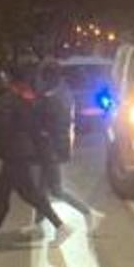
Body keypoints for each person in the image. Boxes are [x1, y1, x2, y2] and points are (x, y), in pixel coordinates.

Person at [0, 64, 73, 250]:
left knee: (27, 194)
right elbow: (32, 127)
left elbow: (4, 129)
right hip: (20, 152)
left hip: (14, 153)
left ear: (10, 79)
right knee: (4, 193)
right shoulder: (25, 98)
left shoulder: (8, 100)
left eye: (4, 75)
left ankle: (60, 226)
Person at [31, 58, 102, 232]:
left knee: (56, 190)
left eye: (42, 76)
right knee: (41, 189)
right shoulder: (62, 92)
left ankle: (89, 213)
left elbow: (47, 124)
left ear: (47, 77)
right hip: (54, 147)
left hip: (52, 148)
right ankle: (39, 224)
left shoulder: (53, 98)